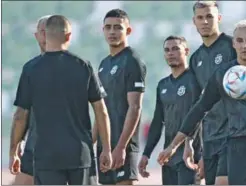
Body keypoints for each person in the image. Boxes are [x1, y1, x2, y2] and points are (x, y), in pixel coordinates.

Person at [157, 19, 246, 185]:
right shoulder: (223, 75)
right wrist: (174, 145)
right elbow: (200, 108)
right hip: (237, 142)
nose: (245, 45)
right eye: (240, 41)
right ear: (233, 44)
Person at [9, 15, 112, 185]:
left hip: (46, 156)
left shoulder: (30, 69)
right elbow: (101, 111)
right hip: (80, 155)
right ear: (69, 36)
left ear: (46, 36)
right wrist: (106, 149)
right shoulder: (83, 66)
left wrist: (13, 151)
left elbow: (20, 115)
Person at [184, 1, 237, 185]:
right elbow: (197, 105)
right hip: (210, 137)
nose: (205, 21)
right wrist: (189, 141)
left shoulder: (233, 46)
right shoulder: (195, 58)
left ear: (219, 18)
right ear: (194, 21)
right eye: (200, 17)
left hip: (234, 134)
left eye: (209, 16)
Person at [138, 36, 202, 185]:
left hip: (190, 154)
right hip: (168, 157)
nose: (170, 53)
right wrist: (146, 154)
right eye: (167, 50)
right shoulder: (163, 85)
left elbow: (199, 116)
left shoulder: (195, 80)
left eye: (175, 49)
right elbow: (157, 122)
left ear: (186, 51)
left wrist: (189, 143)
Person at [96, 9, 147, 185]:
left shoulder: (132, 61)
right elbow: (100, 110)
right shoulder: (103, 65)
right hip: (105, 148)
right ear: (102, 30)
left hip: (122, 146)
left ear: (128, 31)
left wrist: (121, 147)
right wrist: (92, 144)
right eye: (108, 27)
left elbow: (135, 107)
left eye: (117, 27)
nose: (112, 32)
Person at [9, 15, 51, 185]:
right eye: (42, 31)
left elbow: (21, 114)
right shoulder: (79, 65)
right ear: (36, 35)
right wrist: (19, 142)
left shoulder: (32, 69)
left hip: (43, 148)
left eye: (49, 31)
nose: (46, 35)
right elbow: (23, 113)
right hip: (39, 145)